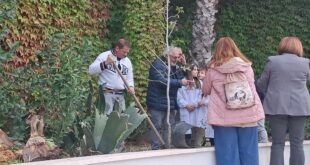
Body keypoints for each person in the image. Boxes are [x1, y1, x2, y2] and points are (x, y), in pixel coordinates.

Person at [202, 37, 265, 165]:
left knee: (227, 156)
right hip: (248, 117)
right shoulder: (247, 67)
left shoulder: (213, 71)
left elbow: (206, 90)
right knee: (249, 155)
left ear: (217, 50)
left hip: (223, 119)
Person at [256, 37, 310, 165]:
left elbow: (261, 85)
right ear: (299, 47)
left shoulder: (272, 61)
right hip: (300, 107)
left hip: (276, 106)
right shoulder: (305, 63)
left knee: (278, 144)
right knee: (297, 144)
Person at [147, 46, 190, 150]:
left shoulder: (174, 65)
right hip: (157, 101)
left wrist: (183, 65)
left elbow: (180, 78)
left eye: (177, 57)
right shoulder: (157, 64)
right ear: (167, 56)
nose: (176, 59)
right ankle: (156, 148)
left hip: (170, 101)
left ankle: (168, 147)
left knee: (169, 126)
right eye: (174, 57)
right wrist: (180, 82)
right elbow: (161, 81)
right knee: (157, 126)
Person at [88, 38, 135, 114]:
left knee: (119, 122)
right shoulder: (104, 56)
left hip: (120, 96)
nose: (126, 54)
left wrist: (131, 87)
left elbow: (129, 78)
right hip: (106, 95)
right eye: (124, 52)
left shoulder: (127, 62)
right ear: (117, 48)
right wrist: (105, 63)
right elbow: (91, 70)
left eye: (127, 52)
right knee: (105, 121)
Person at [177, 64, 201, 146]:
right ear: (189, 70)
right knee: (186, 127)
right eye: (194, 69)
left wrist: (194, 105)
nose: (196, 71)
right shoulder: (183, 82)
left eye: (197, 69)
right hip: (185, 109)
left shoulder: (199, 83)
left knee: (194, 127)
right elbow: (179, 97)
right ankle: (186, 143)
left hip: (195, 109)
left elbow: (200, 96)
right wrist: (186, 105)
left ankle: (194, 143)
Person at [197, 67, 214, 146]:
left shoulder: (212, 83)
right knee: (202, 126)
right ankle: (202, 140)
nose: (200, 74)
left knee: (210, 129)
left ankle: (211, 141)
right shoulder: (199, 83)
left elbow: (213, 98)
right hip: (202, 110)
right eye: (199, 72)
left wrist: (204, 102)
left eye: (202, 73)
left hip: (210, 110)